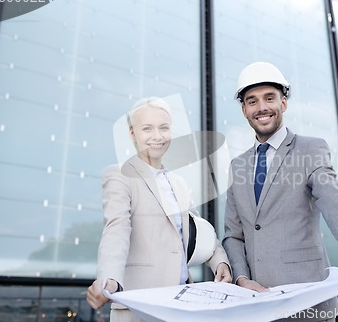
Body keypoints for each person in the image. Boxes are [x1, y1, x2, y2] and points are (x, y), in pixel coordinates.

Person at [222, 62, 338, 322]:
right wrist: (241, 278)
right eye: (252, 101)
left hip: (308, 304)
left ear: (283, 103)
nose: (261, 108)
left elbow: (334, 201)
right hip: (256, 306)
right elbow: (233, 235)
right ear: (244, 110)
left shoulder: (310, 149)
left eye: (269, 98)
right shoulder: (237, 165)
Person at [87, 97, 232, 322]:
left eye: (163, 128)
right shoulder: (119, 174)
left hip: (181, 306)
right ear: (132, 133)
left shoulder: (180, 184)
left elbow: (200, 232)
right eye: (147, 128)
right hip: (140, 309)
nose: (157, 136)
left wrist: (220, 262)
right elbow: (116, 229)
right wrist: (109, 278)